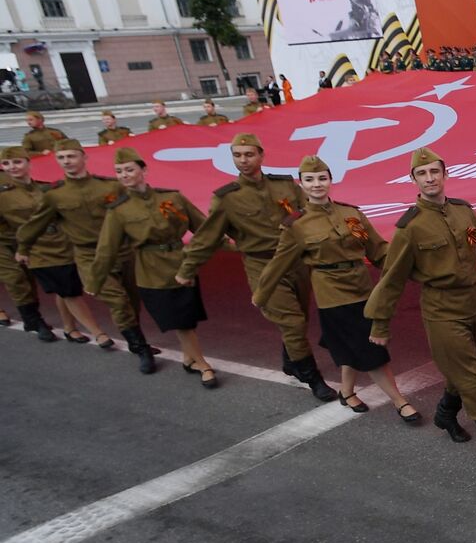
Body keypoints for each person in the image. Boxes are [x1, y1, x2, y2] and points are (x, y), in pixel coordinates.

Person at [365, 147, 476, 462]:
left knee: (461, 368)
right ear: (413, 179)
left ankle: (445, 413)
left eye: (434, 172)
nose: (429, 178)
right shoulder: (410, 227)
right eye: (422, 173)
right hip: (441, 309)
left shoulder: (463, 212)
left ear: (445, 174)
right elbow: (392, 277)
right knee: (472, 375)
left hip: (472, 303)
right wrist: (379, 321)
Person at [255, 156, 417, 422]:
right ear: (302, 184)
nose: (317, 184)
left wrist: (409, 267)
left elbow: (378, 250)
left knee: (349, 346)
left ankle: (347, 391)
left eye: (322, 178)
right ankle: (400, 402)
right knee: (370, 349)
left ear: (330, 180)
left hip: (363, 289)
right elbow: (279, 263)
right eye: (310, 179)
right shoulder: (297, 224)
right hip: (332, 294)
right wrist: (262, 295)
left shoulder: (351, 213)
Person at [176, 133, 337, 401]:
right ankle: (312, 377)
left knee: (300, 318)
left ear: (261, 155)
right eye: (237, 155)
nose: (243, 160)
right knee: (293, 323)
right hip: (261, 265)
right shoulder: (227, 198)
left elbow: (309, 214)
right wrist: (187, 269)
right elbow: (207, 237)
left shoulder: (285, 186)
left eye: (249, 154)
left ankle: (290, 360)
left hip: (296, 263)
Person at [16, 139, 154, 372]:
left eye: (71, 156)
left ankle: (136, 335)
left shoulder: (110, 187)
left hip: (122, 251)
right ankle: (140, 347)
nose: (67, 161)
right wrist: (23, 248)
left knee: (131, 299)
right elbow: (34, 224)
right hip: (89, 256)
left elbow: (133, 209)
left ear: (84, 157)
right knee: (118, 301)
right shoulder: (55, 195)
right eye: (61, 158)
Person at [90, 147, 215, 387]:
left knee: (188, 318)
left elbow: (205, 229)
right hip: (151, 272)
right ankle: (203, 364)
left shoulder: (172, 197)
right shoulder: (119, 210)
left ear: (143, 170)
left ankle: (189, 359)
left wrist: (235, 247)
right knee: (181, 322)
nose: (124, 175)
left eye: (129, 169)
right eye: (119, 171)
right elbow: (107, 249)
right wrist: (95, 281)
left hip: (182, 265)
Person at [1, 146, 106, 344]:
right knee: (20, 282)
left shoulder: (45, 188)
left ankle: (69, 327)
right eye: (6, 164)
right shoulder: (3, 194)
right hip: (24, 247)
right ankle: (35, 321)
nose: (12, 167)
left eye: (17, 162)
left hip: (59, 245)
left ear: (28, 163)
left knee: (65, 288)